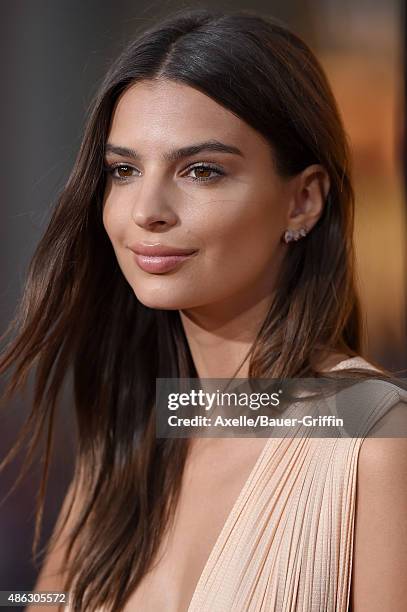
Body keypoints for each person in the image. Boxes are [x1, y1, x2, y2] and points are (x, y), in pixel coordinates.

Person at [1, 8, 406, 612]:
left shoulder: (374, 445)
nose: (148, 210)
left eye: (201, 170)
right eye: (125, 170)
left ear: (303, 201)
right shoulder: (131, 440)